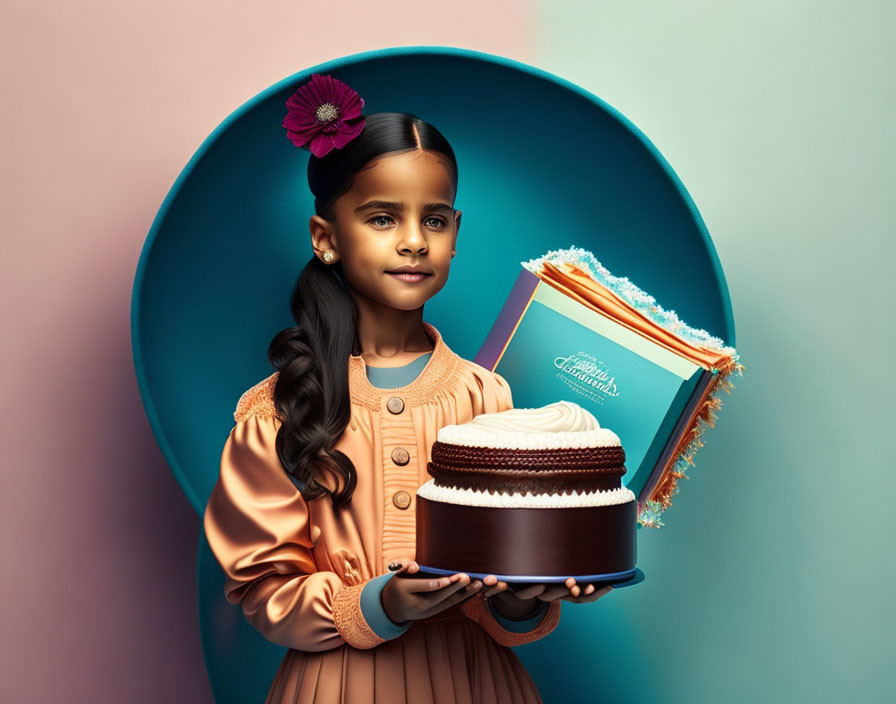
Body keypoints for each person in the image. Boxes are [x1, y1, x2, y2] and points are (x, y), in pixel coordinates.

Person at [203, 74, 613, 703]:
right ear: (326, 237)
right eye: (383, 217)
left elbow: (501, 589)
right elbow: (264, 590)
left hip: (475, 684)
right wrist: (379, 602)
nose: (415, 240)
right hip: (337, 685)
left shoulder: (487, 399)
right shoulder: (276, 412)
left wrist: (527, 596)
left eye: (436, 219)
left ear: (456, 232)